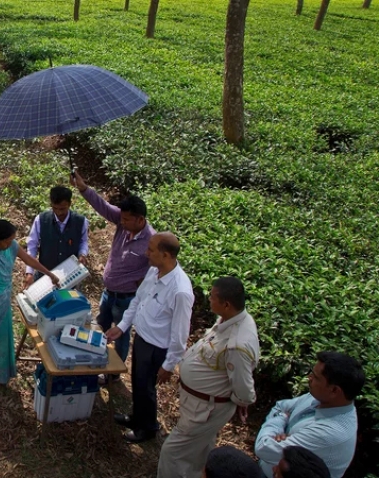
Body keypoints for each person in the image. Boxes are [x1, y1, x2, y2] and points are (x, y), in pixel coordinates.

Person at [157, 276, 260, 477]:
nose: (208, 298)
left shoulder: (238, 344)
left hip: (206, 409)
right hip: (200, 404)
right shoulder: (228, 319)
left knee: (172, 452)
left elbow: (244, 391)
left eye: (212, 297)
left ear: (227, 304)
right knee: (200, 449)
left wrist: (235, 402)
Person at [105, 232, 194, 443]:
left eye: (151, 250)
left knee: (146, 388)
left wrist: (169, 364)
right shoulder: (154, 272)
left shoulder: (180, 291)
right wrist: (123, 326)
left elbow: (180, 333)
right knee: (138, 381)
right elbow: (138, 300)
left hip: (157, 347)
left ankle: (147, 428)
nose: (146, 253)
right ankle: (136, 417)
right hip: (143, 338)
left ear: (165, 255)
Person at [72, 171, 155, 382]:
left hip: (126, 298)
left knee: (121, 334)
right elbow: (103, 207)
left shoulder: (151, 241)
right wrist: (83, 188)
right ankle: (95, 361)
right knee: (100, 325)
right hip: (108, 293)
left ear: (140, 220)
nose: (122, 222)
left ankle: (113, 373)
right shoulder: (122, 222)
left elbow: (157, 268)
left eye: (127, 219)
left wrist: (140, 284)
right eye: (122, 218)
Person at [0, 220, 59, 384]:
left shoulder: (11, 246)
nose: (10, 244)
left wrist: (48, 273)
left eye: (12, 240)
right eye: (7, 241)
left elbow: (29, 260)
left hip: (2, 302)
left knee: (0, 339)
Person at [255, 351, 363, 478]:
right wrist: (281, 418)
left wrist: (281, 419)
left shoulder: (330, 434)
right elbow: (281, 406)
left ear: (334, 390)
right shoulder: (321, 398)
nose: (309, 378)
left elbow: (263, 447)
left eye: (316, 377)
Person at [23, 186, 88, 288]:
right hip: (44, 277)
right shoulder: (41, 220)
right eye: (55, 208)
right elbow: (32, 246)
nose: (59, 212)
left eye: (62, 209)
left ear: (70, 204)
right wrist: (29, 272)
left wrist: (82, 254)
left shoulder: (81, 221)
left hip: (69, 277)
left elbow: (83, 242)